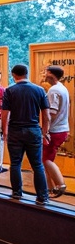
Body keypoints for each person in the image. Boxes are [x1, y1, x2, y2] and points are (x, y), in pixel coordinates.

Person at [1, 63, 50, 205]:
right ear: (27, 73)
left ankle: (17, 193)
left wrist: (5, 131)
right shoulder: (40, 90)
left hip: (15, 131)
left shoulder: (9, 90)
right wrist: (44, 132)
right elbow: (46, 115)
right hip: (34, 130)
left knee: (15, 163)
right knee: (37, 165)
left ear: (14, 75)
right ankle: (42, 197)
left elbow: (5, 114)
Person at [41, 65, 69, 199]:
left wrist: (44, 131)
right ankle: (49, 188)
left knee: (46, 159)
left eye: (46, 72)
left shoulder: (54, 90)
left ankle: (60, 185)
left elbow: (51, 113)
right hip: (62, 129)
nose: (44, 74)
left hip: (54, 130)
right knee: (46, 159)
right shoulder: (62, 88)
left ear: (51, 74)